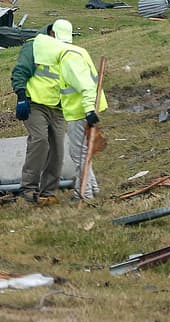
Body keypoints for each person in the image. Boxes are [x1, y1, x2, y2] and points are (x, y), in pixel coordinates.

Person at [10, 19, 70, 200]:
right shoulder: (33, 46)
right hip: (35, 104)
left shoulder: (64, 50)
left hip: (57, 107)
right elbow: (20, 71)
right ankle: (28, 188)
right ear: (51, 33)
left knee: (58, 149)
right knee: (40, 141)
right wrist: (21, 97)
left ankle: (48, 192)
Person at [57, 21, 106, 200]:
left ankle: (84, 193)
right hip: (86, 108)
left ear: (54, 36)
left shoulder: (67, 58)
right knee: (83, 152)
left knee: (78, 153)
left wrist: (88, 110)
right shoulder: (78, 51)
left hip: (80, 111)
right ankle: (91, 188)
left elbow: (85, 86)